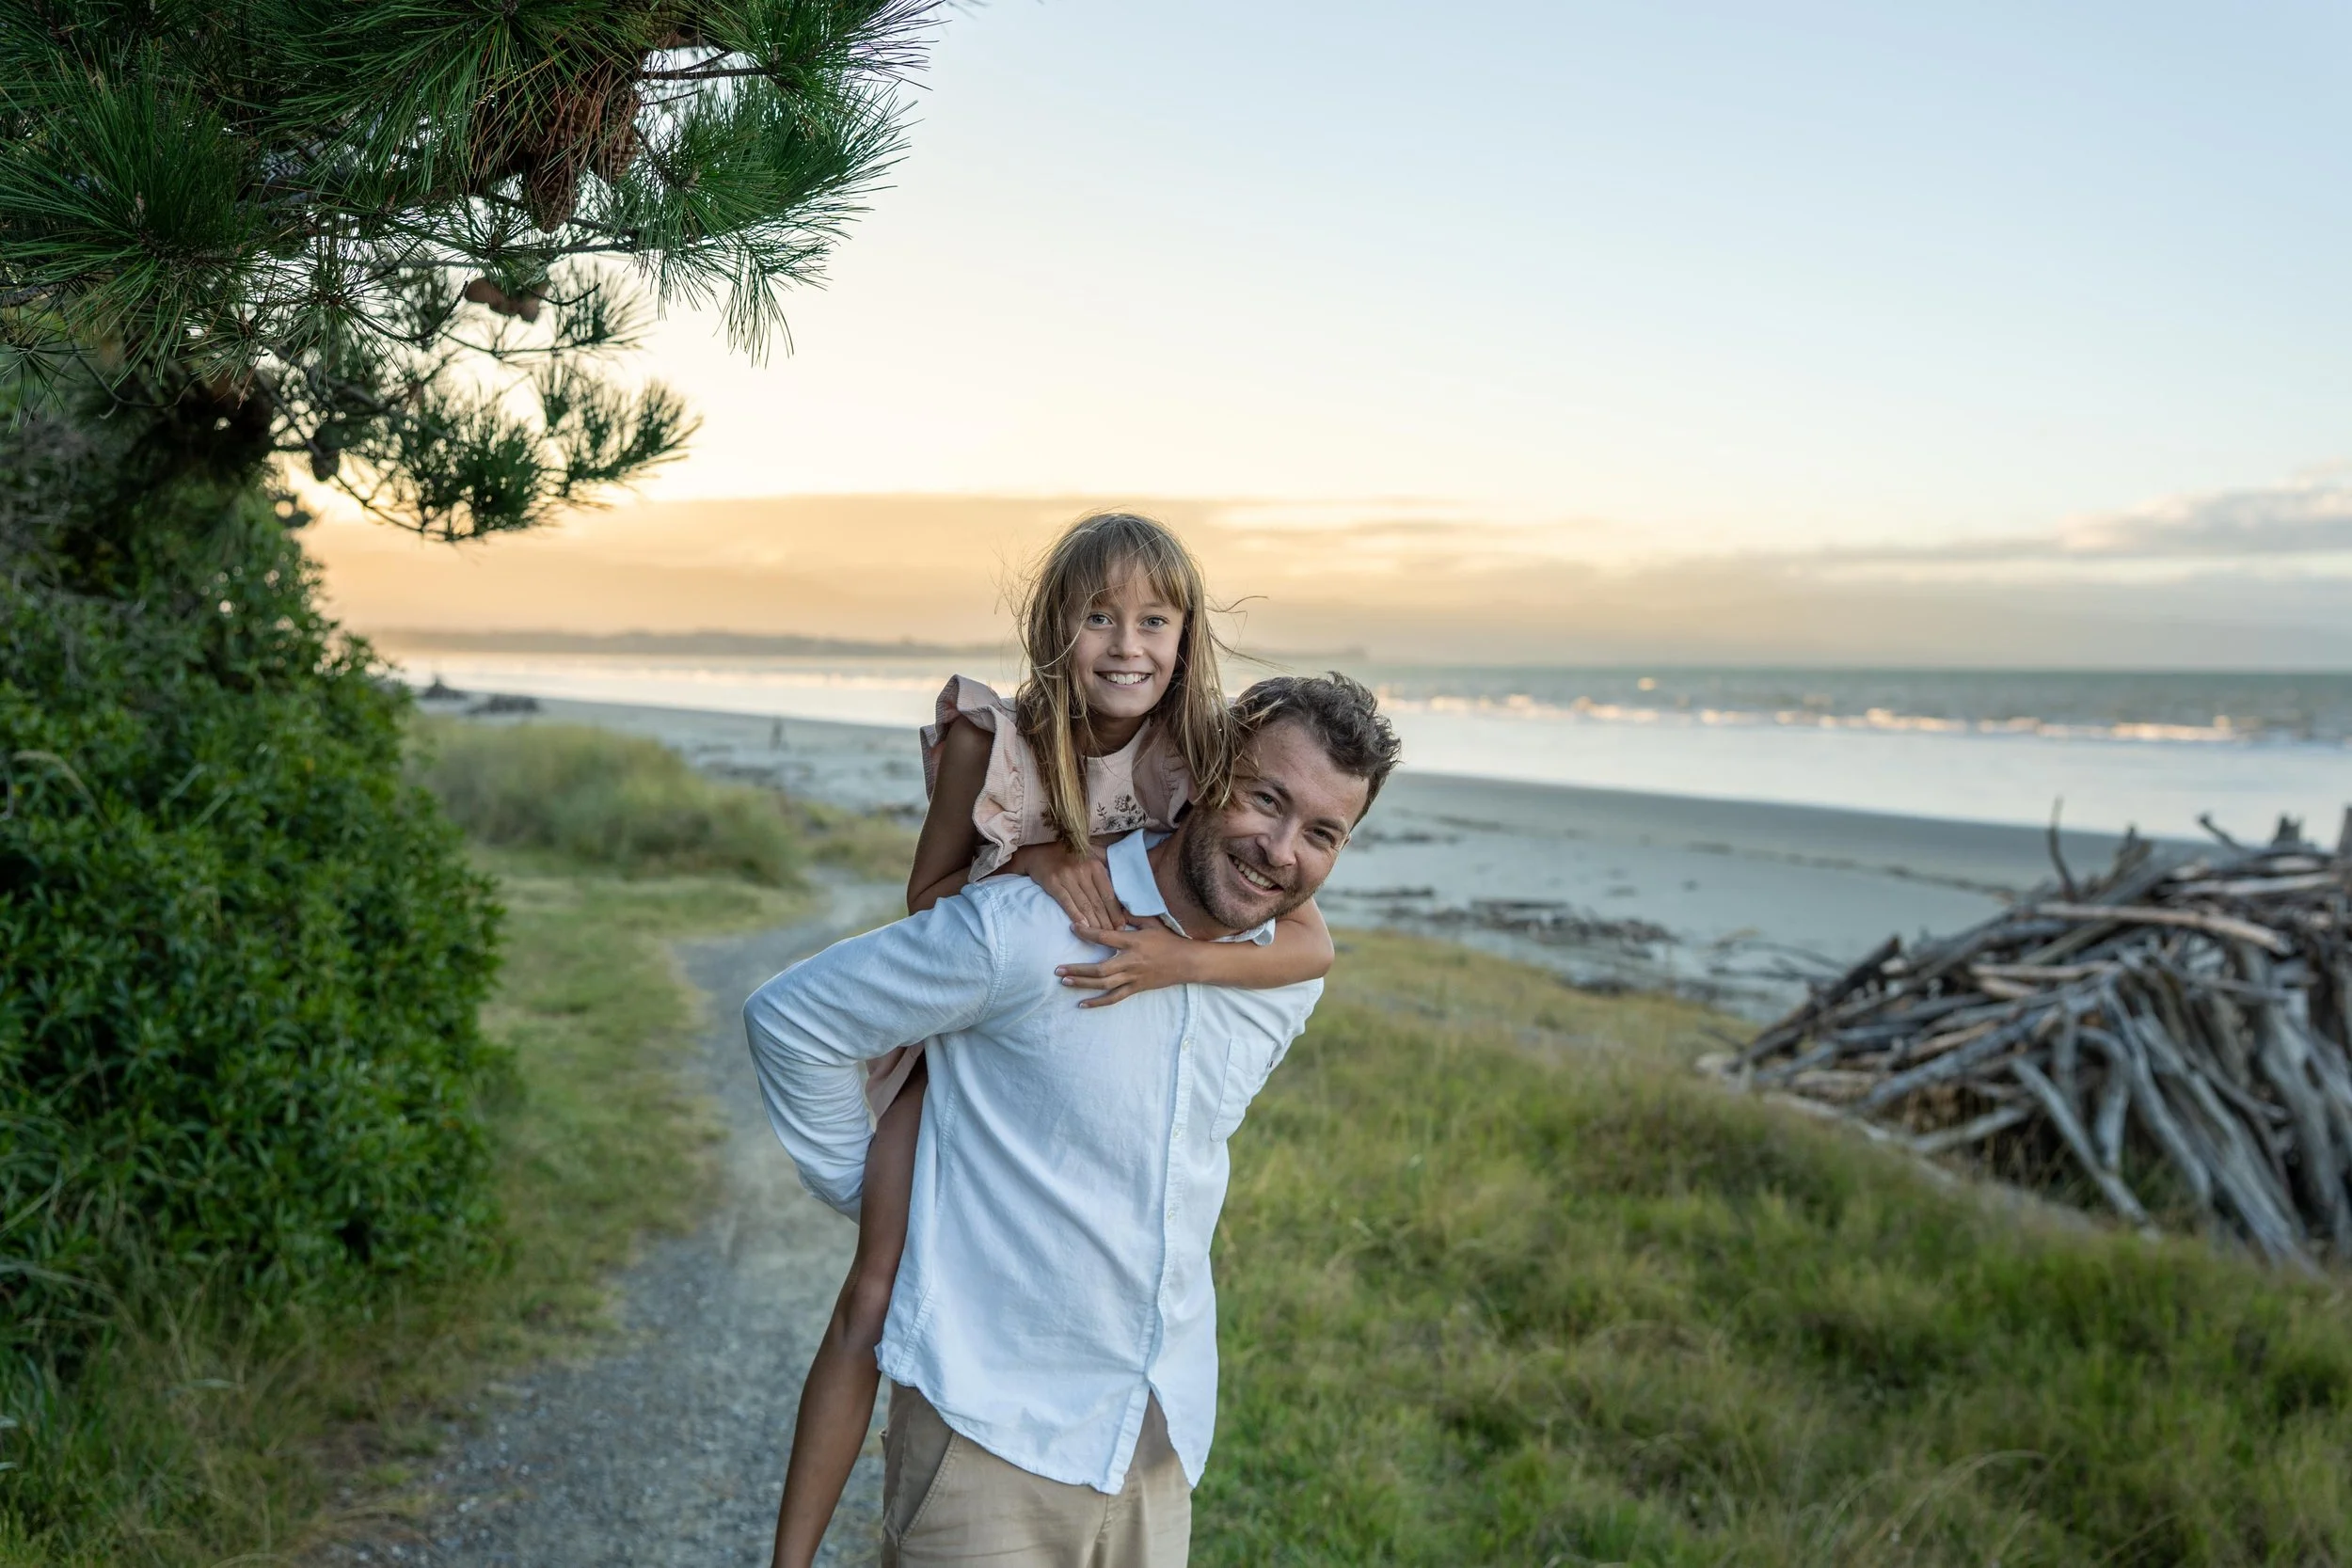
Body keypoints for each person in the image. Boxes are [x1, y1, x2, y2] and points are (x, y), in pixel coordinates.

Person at [765, 513, 1339, 1568]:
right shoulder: (996, 740)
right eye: (1098, 617)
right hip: (953, 1028)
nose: (1127, 643)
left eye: (1154, 620)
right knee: (875, 1291)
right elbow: (925, 894)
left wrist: (1184, 960)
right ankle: (790, 1555)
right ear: (1053, 629)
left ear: (1186, 635)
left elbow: (1310, 943)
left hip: (1052, 1019)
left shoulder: (1192, 749)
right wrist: (1031, 867)